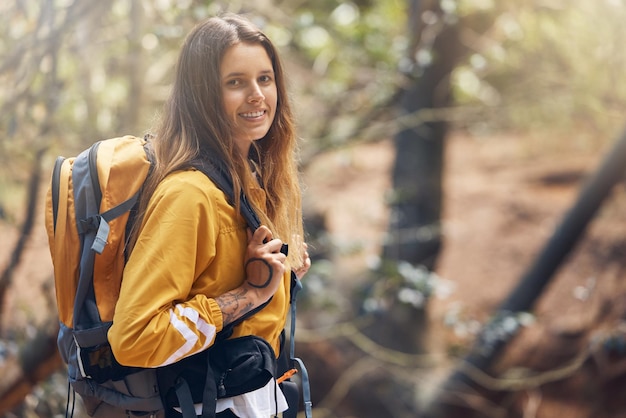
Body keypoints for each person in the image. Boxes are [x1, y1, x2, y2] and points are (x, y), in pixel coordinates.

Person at [107, 13, 311, 417]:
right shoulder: (189, 194)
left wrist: (282, 277)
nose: (257, 95)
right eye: (235, 82)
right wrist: (249, 296)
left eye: (265, 79)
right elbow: (134, 337)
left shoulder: (249, 180)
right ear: (203, 94)